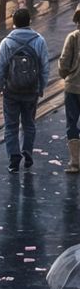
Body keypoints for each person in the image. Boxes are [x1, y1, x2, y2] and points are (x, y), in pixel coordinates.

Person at [0, 3, 48, 169]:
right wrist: (41, 87)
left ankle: (13, 158)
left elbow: (1, 67)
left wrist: (0, 86)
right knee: (29, 123)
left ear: (14, 22)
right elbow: (44, 67)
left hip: (11, 90)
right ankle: (28, 152)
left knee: (11, 125)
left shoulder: (7, 42)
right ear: (30, 21)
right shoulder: (39, 40)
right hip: (31, 89)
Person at [60, 9, 80, 176]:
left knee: (72, 123)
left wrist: (65, 75)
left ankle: (75, 162)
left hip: (73, 87)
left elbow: (64, 63)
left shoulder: (73, 37)